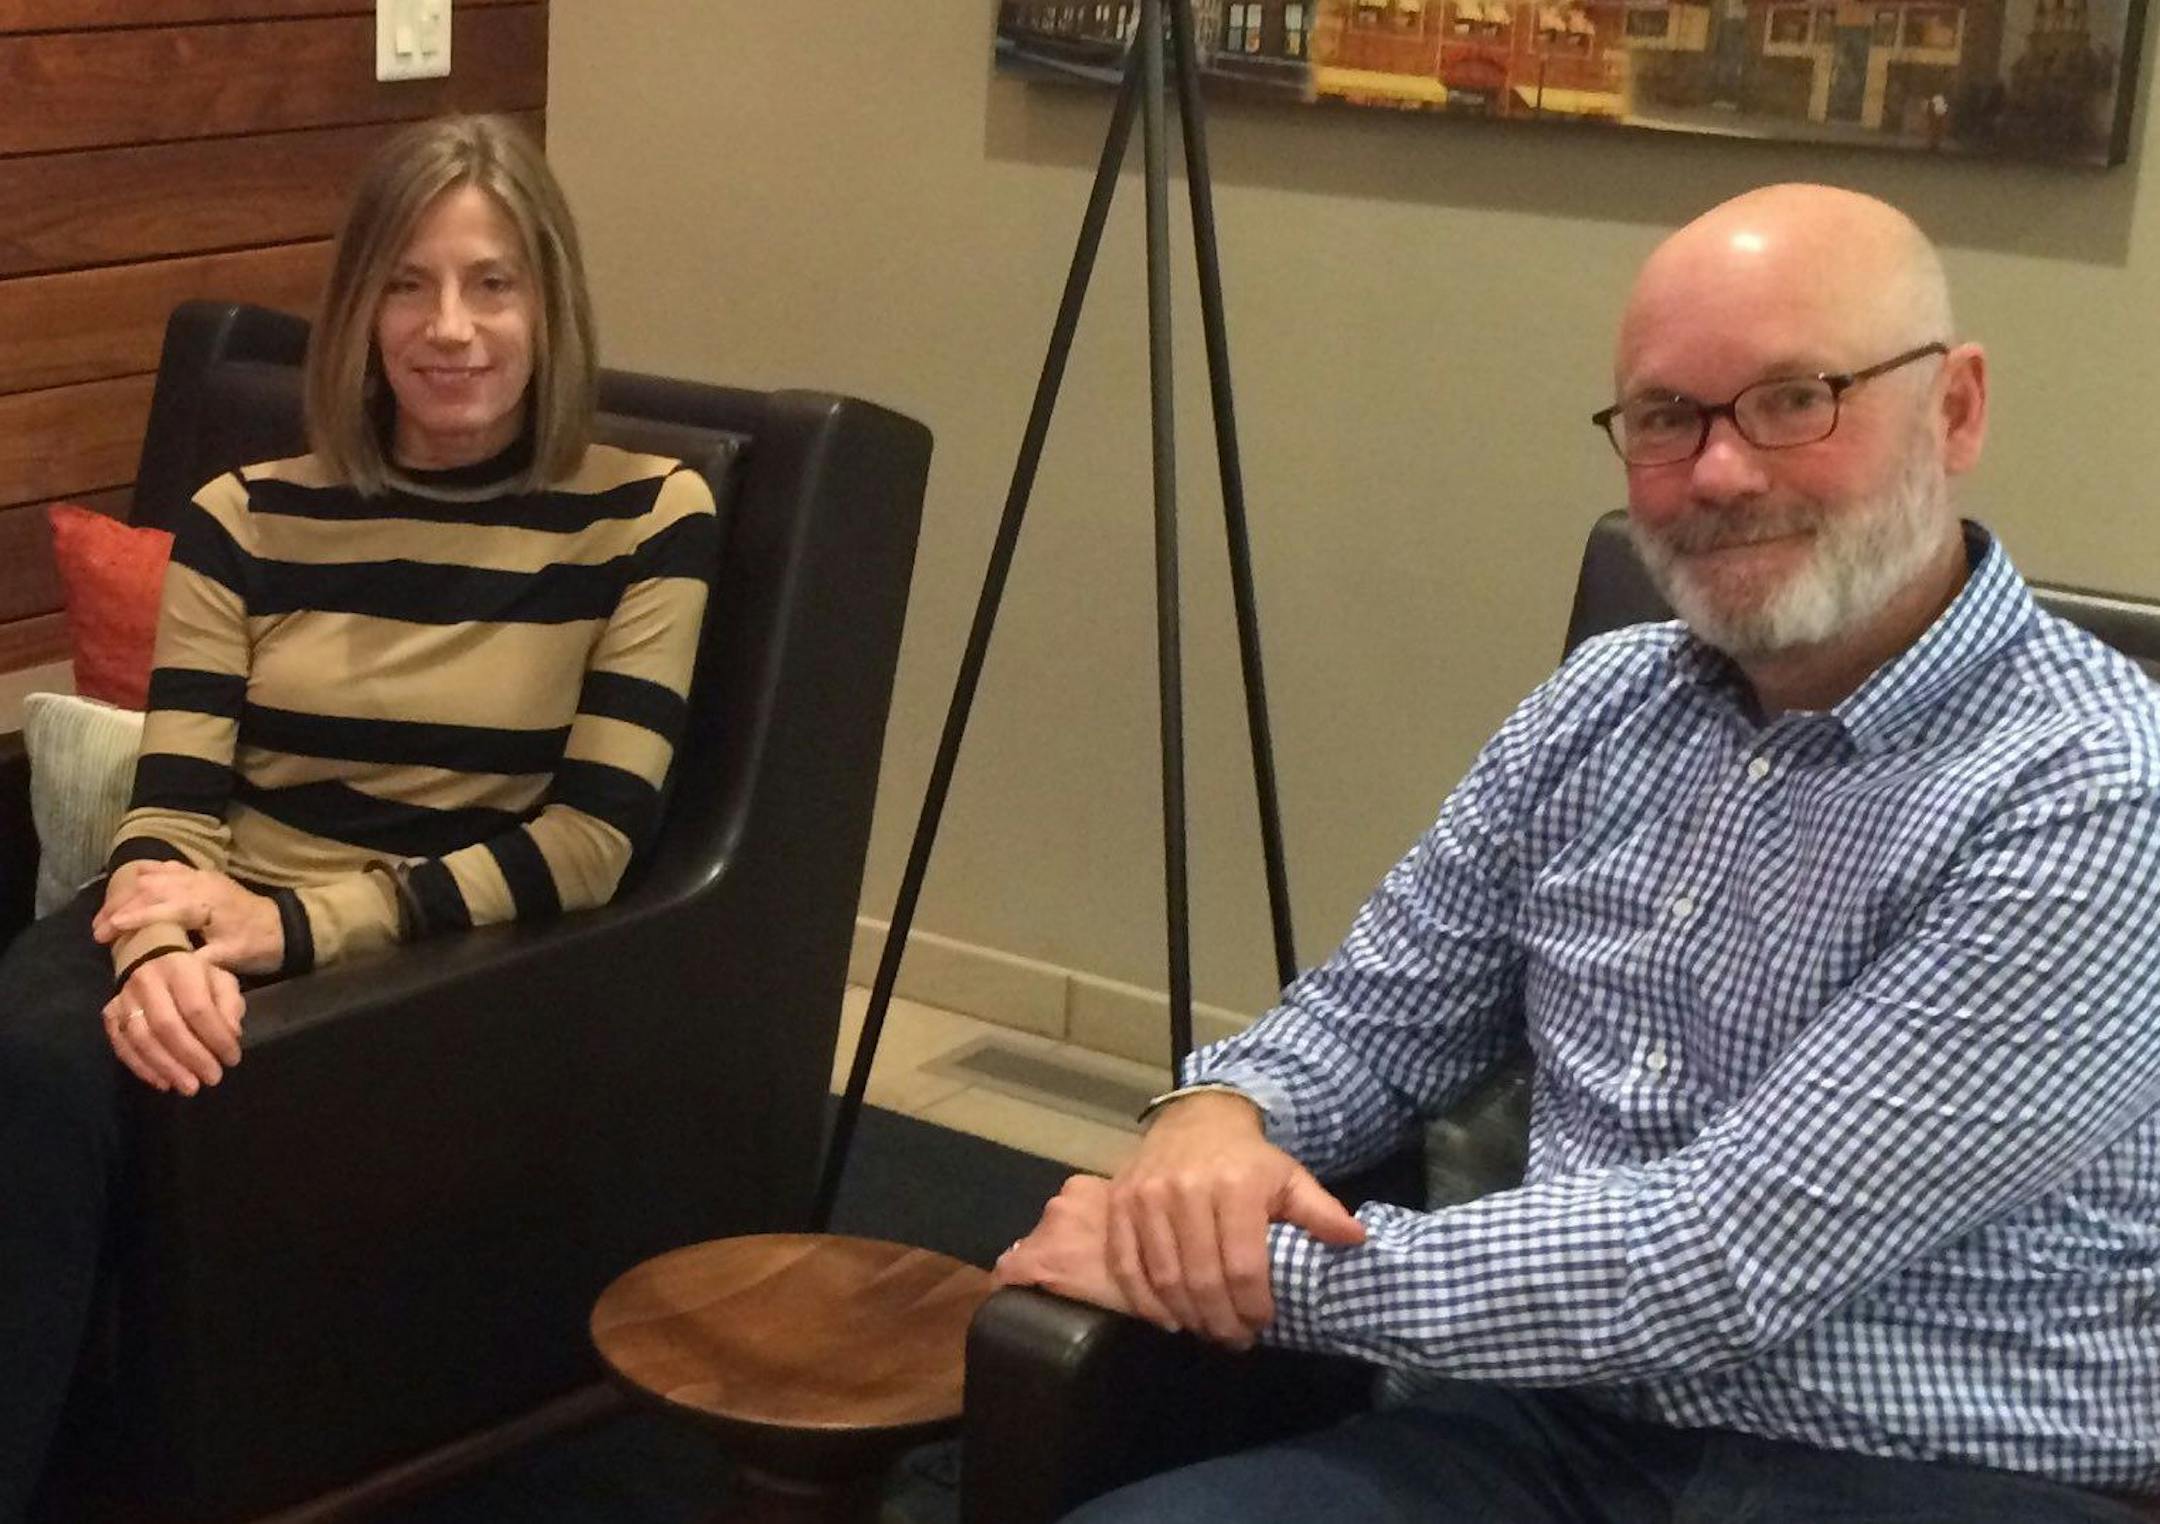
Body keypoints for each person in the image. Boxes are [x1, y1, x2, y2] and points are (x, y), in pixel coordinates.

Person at [998, 184, 2160, 1521]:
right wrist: (1217, 1115)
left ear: (1954, 409)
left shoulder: (2094, 789)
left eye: (1797, 398)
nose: (1719, 473)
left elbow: (1721, 1255)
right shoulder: (1603, 705)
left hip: (1931, 1468)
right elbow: (1377, 1020)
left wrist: (1245, 1272)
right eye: (1666, 416)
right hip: (1552, 1426)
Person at [0, 114, 716, 1516]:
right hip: (202, 908)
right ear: (359, 311)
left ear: (550, 305)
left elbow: (591, 842)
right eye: (407, 284)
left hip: (422, 956)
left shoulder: (642, 516)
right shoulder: (246, 513)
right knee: (35, 1059)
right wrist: (158, 951)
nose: (449, 328)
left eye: (492, 284)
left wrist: (286, 930)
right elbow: (176, 798)